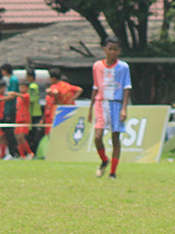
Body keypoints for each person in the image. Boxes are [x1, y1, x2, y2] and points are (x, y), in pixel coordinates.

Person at [87, 36, 131, 179]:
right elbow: (95, 86)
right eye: (110, 49)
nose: (112, 52)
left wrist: (124, 108)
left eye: (115, 49)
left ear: (119, 51)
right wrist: (90, 107)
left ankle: (113, 172)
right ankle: (104, 160)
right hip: (101, 103)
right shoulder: (97, 66)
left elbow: (126, 88)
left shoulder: (123, 67)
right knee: (98, 137)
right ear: (104, 49)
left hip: (116, 103)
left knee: (115, 137)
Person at [44, 67, 82, 133]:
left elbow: (55, 92)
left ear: (53, 78)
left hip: (59, 111)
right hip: (69, 110)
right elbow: (79, 90)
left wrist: (56, 100)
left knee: (56, 132)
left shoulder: (55, 86)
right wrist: (71, 99)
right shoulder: (67, 85)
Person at [7, 80, 34, 159]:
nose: (22, 89)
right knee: (17, 138)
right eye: (21, 87)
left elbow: (24, 97)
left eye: (24, 87)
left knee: (21, 137)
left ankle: (30, 153)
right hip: (18, 119)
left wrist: (14, 93)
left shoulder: (26, 96)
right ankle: (22, 155)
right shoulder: (18, 98)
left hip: (24, 119)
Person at [0, 62, 19, 156]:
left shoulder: (13, 80)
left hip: (12, 109)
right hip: (7, 108)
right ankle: (10, 152)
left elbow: (12, 95)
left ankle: (14, 153)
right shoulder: (8, 80)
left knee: (10, 132)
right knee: (6, 132)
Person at [25, 68, 43, 148]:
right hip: (34, 112)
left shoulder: (32, 86)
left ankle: (33, 148)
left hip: (33, 112)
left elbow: (32, 99)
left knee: (33, 132)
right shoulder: (35, 85)